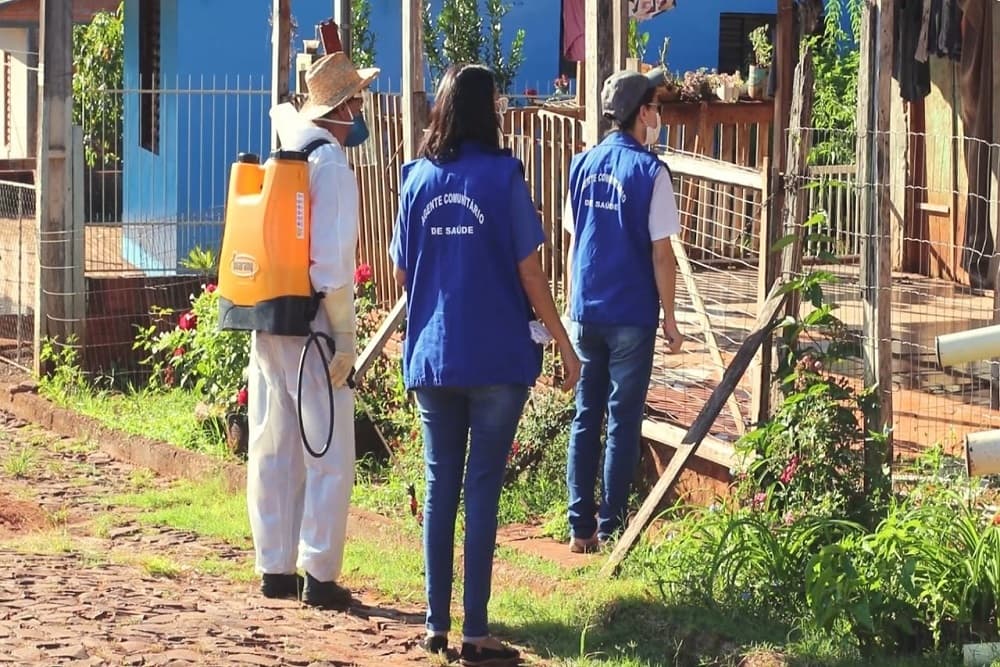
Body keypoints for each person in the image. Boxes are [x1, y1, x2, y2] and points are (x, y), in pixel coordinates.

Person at [389, 64, 580, 666]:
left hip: (433, 356)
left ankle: (434, 624)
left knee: (441, 484)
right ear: (487, 112)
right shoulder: (503, 177)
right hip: (497, 356)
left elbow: (401, 271)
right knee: (482, 491)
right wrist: (564, 344)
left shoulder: (415, 179)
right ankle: (475, 631)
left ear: (442, 109)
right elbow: (531, 272)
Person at [246, 51, 377, 607]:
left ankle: (274, 568)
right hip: (315, 325)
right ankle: (320, 576)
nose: (362, 112)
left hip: (267, 313)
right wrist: (345, 335)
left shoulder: (286, 149)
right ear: (343, 107)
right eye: (359, 102)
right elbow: (330, 266)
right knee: (327, 449)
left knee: (272, 442)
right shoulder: (331, 166)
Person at [563, 67, 683, 554]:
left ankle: (579, 528)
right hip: (631, 312)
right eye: (654, 107)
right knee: (622, 418)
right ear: (641, 114)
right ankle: (612, 527)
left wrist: (571, 304)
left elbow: (575, 240)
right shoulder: (651, 172)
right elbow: (662, 254)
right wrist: (671, 319)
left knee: (586, 414)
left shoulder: (582, 164)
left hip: (586, 308)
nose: (657, 115)